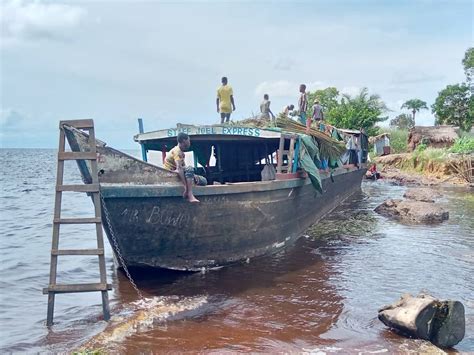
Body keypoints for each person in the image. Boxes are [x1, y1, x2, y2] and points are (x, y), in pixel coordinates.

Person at [163, 132, 206, 203]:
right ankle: (190, 194)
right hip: (171, 174)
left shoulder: (180, 152)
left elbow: (182, 167)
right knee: (190, 168)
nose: (189, 142)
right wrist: (185, 187)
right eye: (189, 140)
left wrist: (193, 176)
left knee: (203, 180)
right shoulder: (177, 152)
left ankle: (192, 184)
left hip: (177, 171)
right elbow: (179, 168)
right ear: (184, 141)